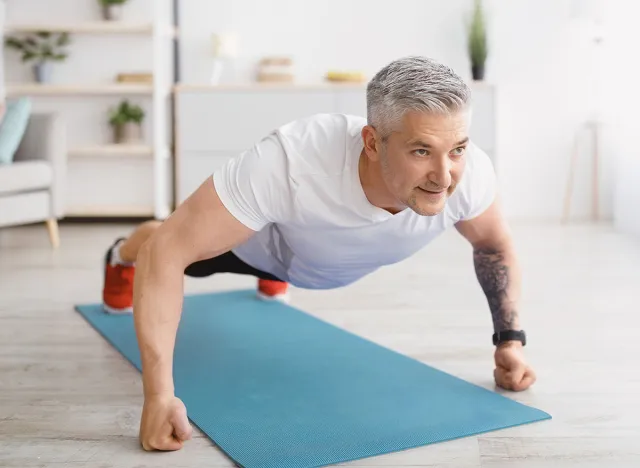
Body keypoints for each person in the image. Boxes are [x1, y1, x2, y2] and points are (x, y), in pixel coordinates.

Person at [101, 56, 537, 452]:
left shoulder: (471, 172)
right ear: (371, 143)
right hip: (264, 247)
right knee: (163, 238)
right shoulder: (291, 162)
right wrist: (159, 396)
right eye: (421, 151)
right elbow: (168, 252)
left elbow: (494, 246)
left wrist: (510, 342)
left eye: (457, 148)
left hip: (319, 253)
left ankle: (284, 266)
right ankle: (120, 256)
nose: (445, 176)